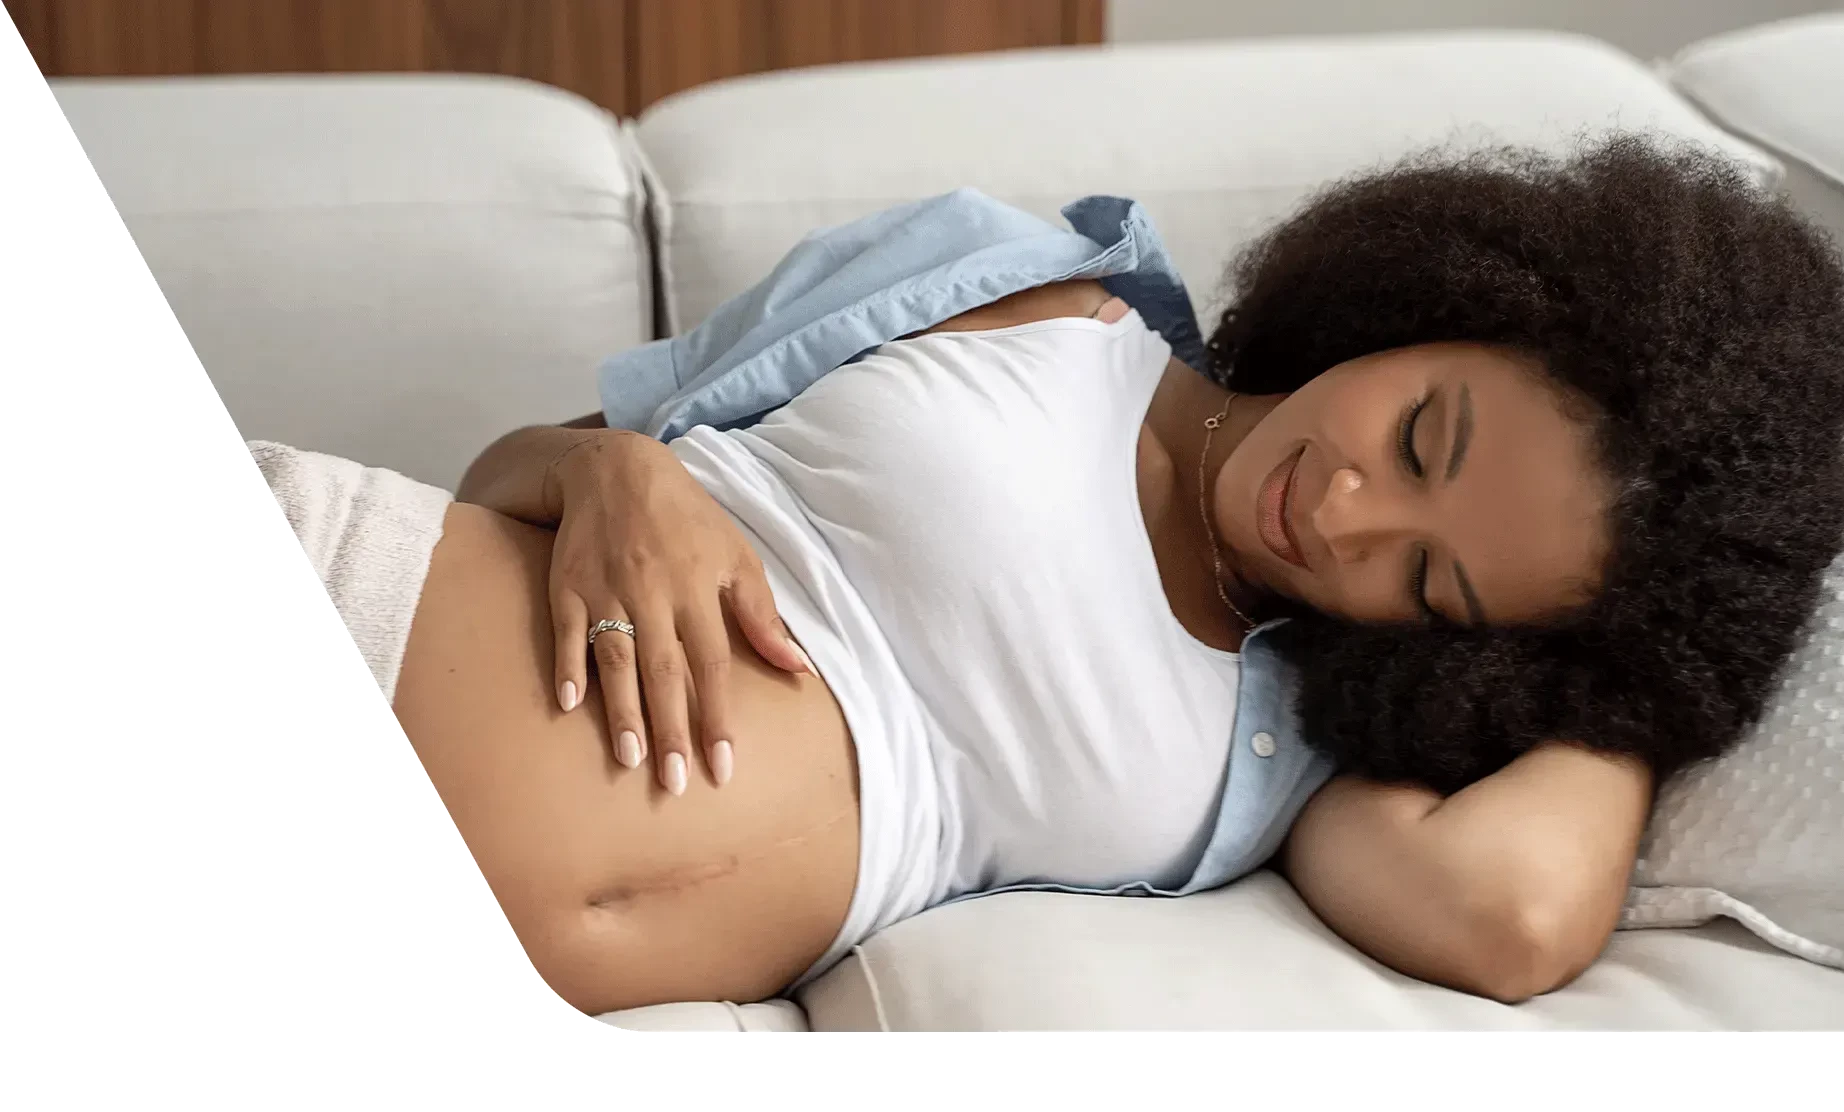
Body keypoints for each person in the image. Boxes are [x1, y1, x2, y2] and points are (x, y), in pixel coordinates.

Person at [263, 136, 1844, 1017]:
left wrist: (1629, 656)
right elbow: (512, 468)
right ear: (1440, 294)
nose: (1347, 516)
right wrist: (623, 471)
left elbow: (1511, 916)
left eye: (1433, 585)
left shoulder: (1295, 737)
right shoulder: (1023, 290)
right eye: (1424, 435)